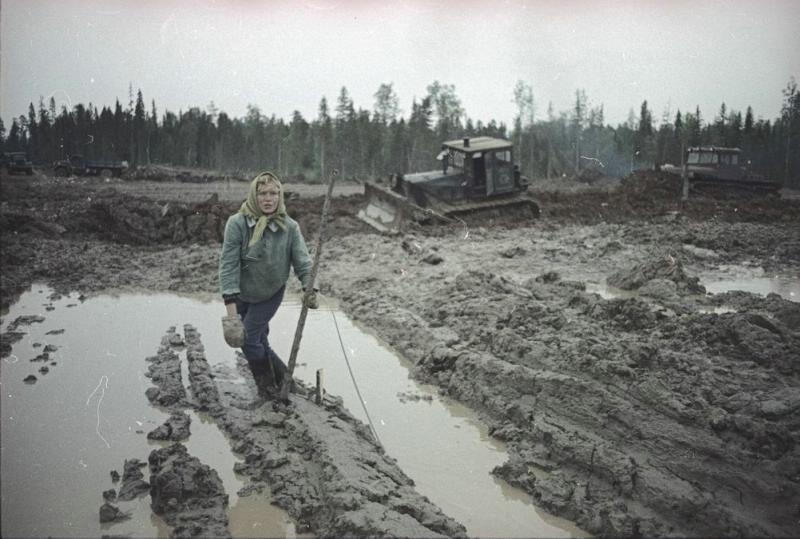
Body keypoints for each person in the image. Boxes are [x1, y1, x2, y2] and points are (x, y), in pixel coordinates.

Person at [218, 171, 317, 398]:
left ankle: (267, 388)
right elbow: (228, 266)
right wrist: (231, 315)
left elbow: (303, 261)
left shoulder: (289, 227)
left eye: (274, 193)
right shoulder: (237, 224)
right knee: (258, 339)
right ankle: (287, 382)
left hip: (269, 293)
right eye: (263, 193)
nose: (268, 199)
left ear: (280, 196)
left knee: (249, 339)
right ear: (254, 195)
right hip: (241, 293)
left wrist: (310, 288)